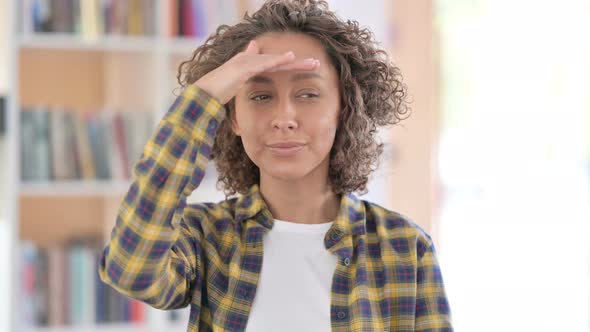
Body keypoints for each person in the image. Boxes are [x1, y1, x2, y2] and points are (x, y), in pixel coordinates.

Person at [98, 0, 453, 331]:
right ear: (233, 117)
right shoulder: (204, 237)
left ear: (344, 111)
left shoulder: (406, 248)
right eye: (260, 96)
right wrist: (204, 97)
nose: (284, 118)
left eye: (308, 94)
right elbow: (130, 271)